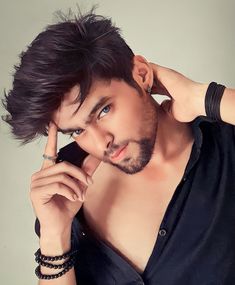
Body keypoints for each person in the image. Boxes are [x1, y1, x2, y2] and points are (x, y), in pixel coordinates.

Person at [2, 8, 235, 285]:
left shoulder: (224, 147)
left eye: (103, 111)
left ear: (141, 74)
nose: (101, 142)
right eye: (77, 130)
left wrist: (204, 96)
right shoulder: (65, 184)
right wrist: (54, 236)